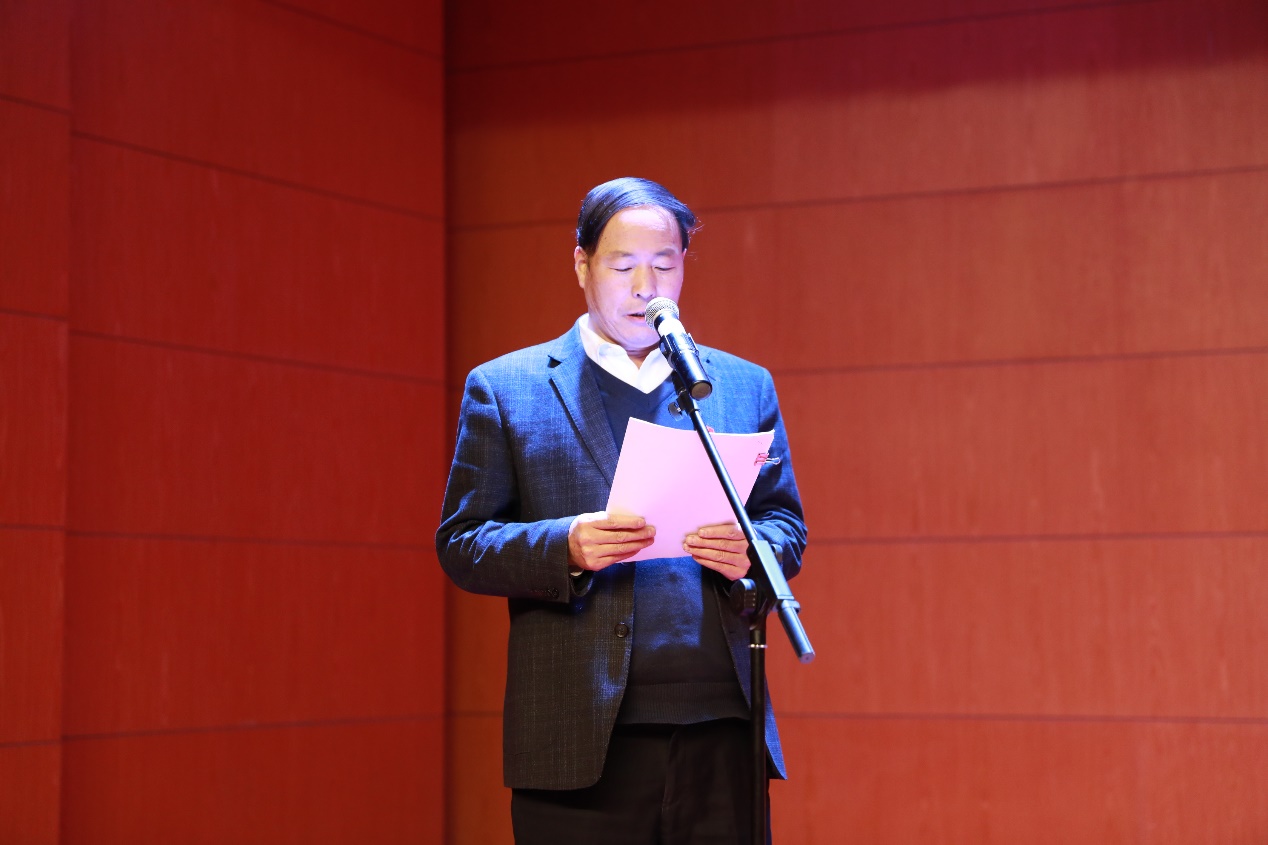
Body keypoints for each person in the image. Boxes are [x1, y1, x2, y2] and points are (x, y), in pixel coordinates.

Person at [436, 177, 807, 844]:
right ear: (581, 264)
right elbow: (462, 542)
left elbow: (785, 525)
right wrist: (565, 545)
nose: (645, 287)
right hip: (577, 741)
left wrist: (751, 550)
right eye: (623, 265)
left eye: (664, 265)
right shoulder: (507, 387)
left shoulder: (739, 384)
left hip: (724, 730)